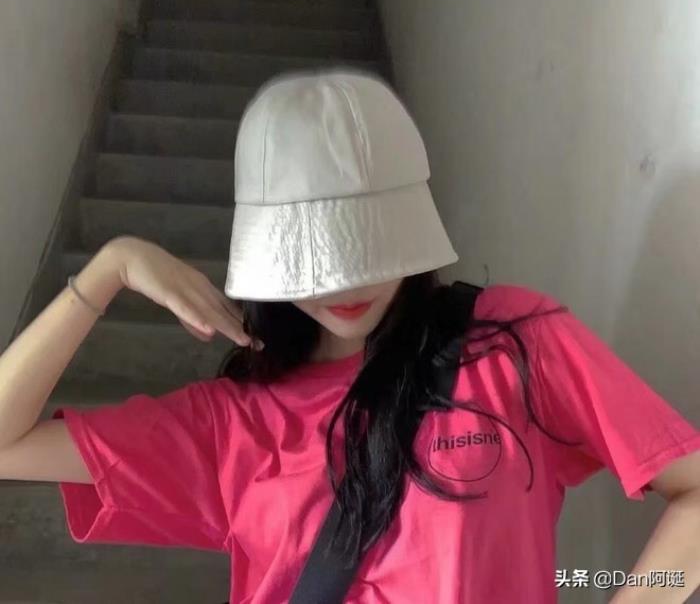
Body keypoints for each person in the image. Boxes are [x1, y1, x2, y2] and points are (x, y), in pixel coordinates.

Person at [1, 69, 700, 604]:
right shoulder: (231, 424)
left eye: (366, 247)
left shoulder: (509, 344)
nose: (344, 284)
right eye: (314, 262)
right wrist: (111, 268)